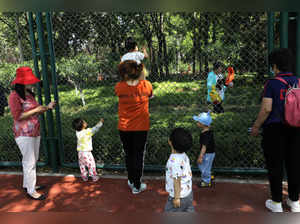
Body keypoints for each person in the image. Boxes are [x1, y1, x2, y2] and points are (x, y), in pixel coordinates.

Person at [251, 48, 300, 212]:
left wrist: (256, 126)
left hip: (275, 130)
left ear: (275, 66)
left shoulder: (272, 83)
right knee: (294, 164)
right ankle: (294, 201)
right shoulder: (298, 82)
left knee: (275, 165)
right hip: (295, 129)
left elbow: (266, 109)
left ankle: (277, 202)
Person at [8, 66, 56, 200]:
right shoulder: (14, 96)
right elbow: (17, 116)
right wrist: (36, 110)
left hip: (34, 131)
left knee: (31, 160)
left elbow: (36, 110)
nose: (31, 82)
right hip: (23, 133)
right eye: (28, 80)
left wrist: (47, 107)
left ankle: (28, 184)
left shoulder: (28, 93)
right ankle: (31, 191)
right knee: (30, 161)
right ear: (21, 81)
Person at [115, 60, 153, 194]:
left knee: (129, 154)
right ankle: (137, 185)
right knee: (138, 155)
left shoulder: (119, 87)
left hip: (124, 127)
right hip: (141, 127)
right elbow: (150, 94)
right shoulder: (146, 85)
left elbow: (123, 88)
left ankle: (131, 180)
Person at [164, 128, 194, 212]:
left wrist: (176, 198)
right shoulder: (184, 155)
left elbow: (177, 179)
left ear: (170, 142)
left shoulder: (173, 161)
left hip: (178, 196)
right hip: (188, 193)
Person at [72, 117, 104, 182]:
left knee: (82, 165)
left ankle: (84, 177)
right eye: (84, 122)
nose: (85, 122)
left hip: (80, 153)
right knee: (91, 164)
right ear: (83, 125)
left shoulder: (77, 132)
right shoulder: (87, 132)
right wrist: (101, 122)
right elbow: (95, 128)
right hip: (87, 153)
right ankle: (94, 177)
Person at [193, 111, 215, 188]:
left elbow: (204, 146)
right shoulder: (208, 132)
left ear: (203, 124)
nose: (197, 123)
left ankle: (206, 181)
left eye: (198, 122)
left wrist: (201, 156)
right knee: (206, 166)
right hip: (210, 153)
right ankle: (209, 175)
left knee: (202, 166)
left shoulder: (205, 135)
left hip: (207, 154)